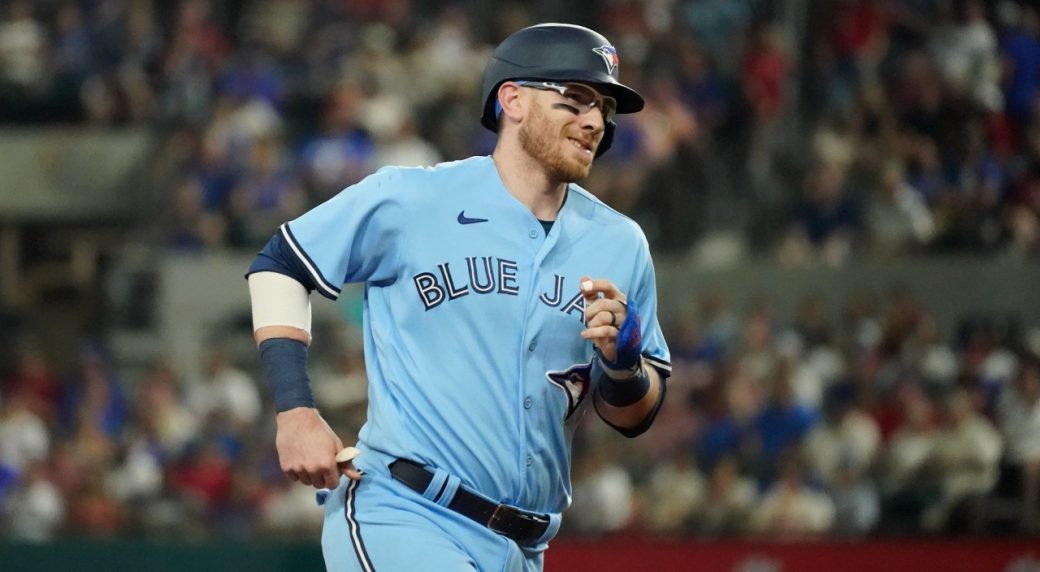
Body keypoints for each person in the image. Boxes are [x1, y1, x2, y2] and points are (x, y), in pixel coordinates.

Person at [245, 23, 671, 572]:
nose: (595, 121)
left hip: (524, 547)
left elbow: (633, 415)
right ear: (512, 99)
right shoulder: (413, 198)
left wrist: (624, 362)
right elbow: (281, 264)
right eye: (577, 99)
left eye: (605, 109)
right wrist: (296, 412)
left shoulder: (619, 243)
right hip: (407, 513)